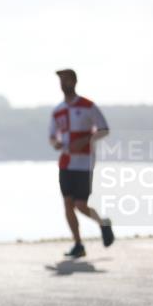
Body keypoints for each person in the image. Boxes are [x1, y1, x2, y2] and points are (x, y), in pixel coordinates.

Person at [48, 68, 113, 258]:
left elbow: (104, 129)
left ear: (74, 82)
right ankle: (78, 244)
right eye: (60, 80)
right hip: (66, 163)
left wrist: (85, 141)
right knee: (68, 204)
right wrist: (56, 144)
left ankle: (103, 223)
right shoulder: (58, 110)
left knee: (80, 205)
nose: (63, 83)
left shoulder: (88, 106)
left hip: (84, 163)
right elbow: (52, 137)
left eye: (66, 80)